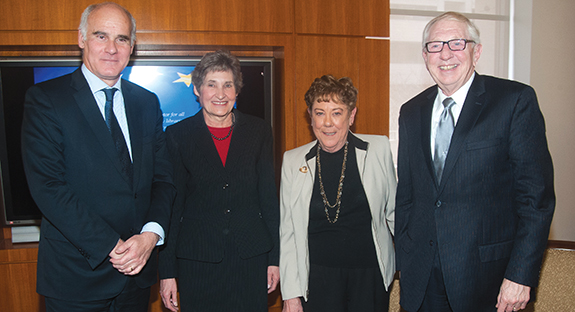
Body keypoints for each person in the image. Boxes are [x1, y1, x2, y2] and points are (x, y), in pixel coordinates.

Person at [395, 11, 555, 312]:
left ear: (476, 51)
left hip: (489, 281)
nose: (445, 54)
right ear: (425, 55)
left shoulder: (514, 101)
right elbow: (408, 195)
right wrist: (405, 259)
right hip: (423, 280)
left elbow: (536, 200)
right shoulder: (411, 111)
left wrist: (520, 275)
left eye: (456, 43)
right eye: (435, 45)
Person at [20, 2, 176, 312]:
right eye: (101, 36)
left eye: (122, 39)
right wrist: (113, 247)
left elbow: (163, 178)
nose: (112, 48)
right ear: (81, 38)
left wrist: (150, 236)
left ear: (132, 46)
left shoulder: (146, 103)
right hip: (77, 277)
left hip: (137, 275)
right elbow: (48, 187)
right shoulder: (46, 100)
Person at [158, 50, 280, 312]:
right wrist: (166, 272)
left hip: (251, 258)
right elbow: (172, 206)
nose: (220, 94)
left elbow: (268, 199)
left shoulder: (259, 131)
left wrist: (274, 259)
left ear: (237, 90)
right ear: (197, 90)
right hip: (197, 262)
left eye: (228, 85)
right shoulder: (178, 135)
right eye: (211, 85)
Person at [279, 75, 396, 312]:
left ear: (351, 116)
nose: (328, 122)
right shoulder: (292, 161)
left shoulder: (378, 150)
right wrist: (291, 294)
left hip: (369, 278)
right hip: (317, 280)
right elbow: (288, 231)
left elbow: (396, 214)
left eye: (337, 112)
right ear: (310, 117)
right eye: (320, 113)